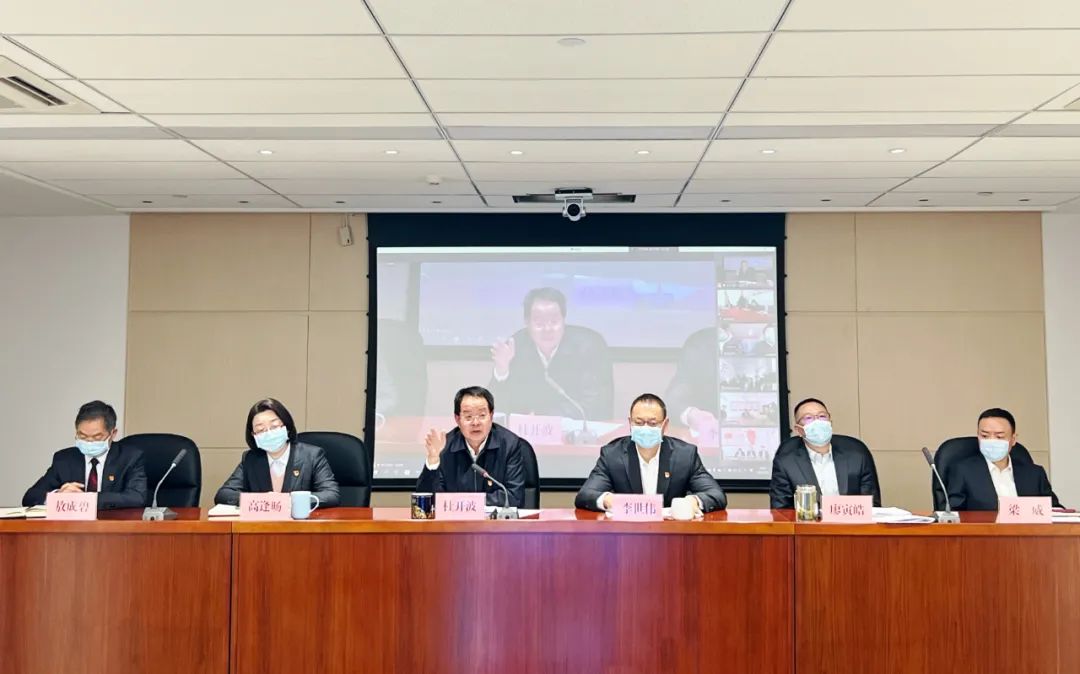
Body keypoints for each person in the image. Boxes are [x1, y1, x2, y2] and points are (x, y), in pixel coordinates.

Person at [575, 393, 727, 512]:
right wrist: (609, 500)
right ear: (630, 423)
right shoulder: (612, 454)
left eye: (652, 423)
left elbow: (716, 494)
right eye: (639, 422)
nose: (645, 428)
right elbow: (585, 495)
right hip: (627, 534)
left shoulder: (685, 455)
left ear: (665, 425)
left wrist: (692, 501)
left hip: (671, 533)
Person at [489, 287, 613, 420]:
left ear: (563, 320)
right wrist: (502, 371)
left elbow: (598, 404)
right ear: (527, 323)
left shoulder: (589, 346)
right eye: (539, 323)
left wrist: (546, 418)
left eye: (554, 322)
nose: (547, 329)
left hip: (578, 429)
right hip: (528, 430)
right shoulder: (516, 347)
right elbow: (496, 407)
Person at [215, 398, 340, 507]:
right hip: (263, 525)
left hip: (299, 524)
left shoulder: (311, 455)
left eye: (274, 427)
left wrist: (286, 501)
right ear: (254, 435)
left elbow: (331, 495)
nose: (269, 433)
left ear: (286, 427)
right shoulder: (251, 459)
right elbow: (223, 494)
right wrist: (261, 500)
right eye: (261, 430)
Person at [23, 400, 148, 509]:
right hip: (72, 526)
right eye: (82, 436)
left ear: (113, 433)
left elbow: (137, 497)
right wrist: (57, 496)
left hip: (113, 525)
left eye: (97, 437)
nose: (89, 441)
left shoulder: (130, 457)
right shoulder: (64, 459)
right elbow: (30, 497)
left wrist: (86, 499)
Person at [416, 386, 527, 507]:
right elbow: (426, 500)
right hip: (455, 519)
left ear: (491, 416)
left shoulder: (509, 445)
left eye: (482, 415)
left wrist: (467, 504)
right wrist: (433, 461)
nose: (475, 423)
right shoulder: (444, 447)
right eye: (468, 417)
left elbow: (514, 497)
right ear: (457, 419)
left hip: (494, 519)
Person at [769, 398, 881, 509]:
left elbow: (872, 505)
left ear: (830, 423)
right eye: (808, 418)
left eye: (822, 416)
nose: (817, 422)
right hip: (808, 520)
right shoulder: (786, 462)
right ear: (798, 430)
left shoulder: (857, 454)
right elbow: (781, 511)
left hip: (852, 520)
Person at [946, 408, 1061, 511]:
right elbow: (954, 514)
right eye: (985, 436)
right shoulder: (963, 471)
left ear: (1013, 439)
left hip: (1027, 528)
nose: (991, 441)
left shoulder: (1034, 474)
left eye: (999, 436)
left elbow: (1055, 511)